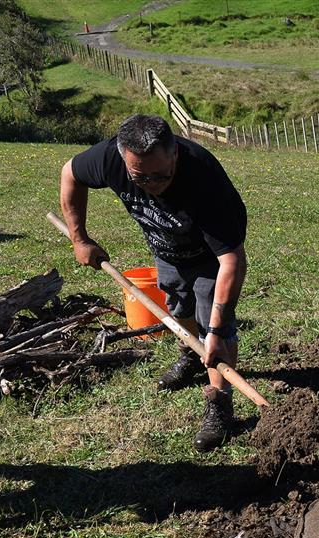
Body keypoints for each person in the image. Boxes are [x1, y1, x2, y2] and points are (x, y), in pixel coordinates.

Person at [59, 114, 248, 450]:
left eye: (162, 176)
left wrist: (216, 333)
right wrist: (80, 239)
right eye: (141, 178)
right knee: (177, 304)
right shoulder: (106, 159)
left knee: (210, 321)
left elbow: (231, 261)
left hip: (211, 256)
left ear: (175, 153)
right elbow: (70, 174)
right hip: (167, 247)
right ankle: (192, 354)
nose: (153, 184)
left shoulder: (204, 179)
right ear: (123, 160)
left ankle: (219, 401)